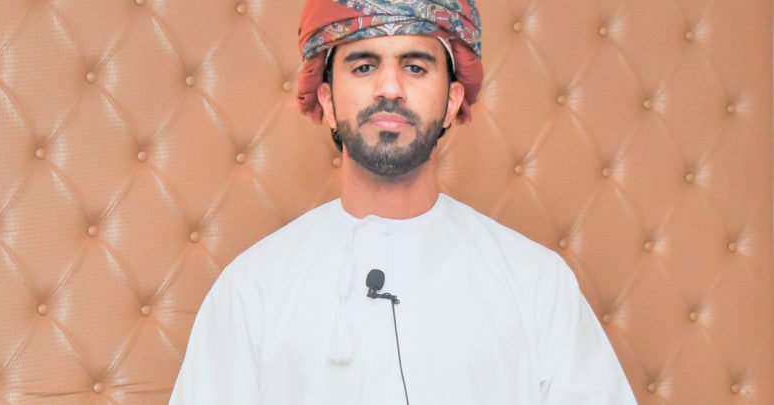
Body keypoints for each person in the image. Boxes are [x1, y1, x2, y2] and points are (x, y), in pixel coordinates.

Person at [169, 1, 637, 404]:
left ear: (452, 100)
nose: (390, 88)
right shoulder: (253, 290)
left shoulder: (537, 284)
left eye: (415, 67)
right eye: (364, 66)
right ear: (327, 101)